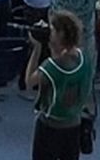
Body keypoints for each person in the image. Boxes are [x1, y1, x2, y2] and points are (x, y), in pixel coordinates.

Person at [25, 9, 92, 160]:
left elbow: (29, 81)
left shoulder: (52, 66)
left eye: (52, 30)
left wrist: (37, 48)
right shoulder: (82, 58)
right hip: (74, 122)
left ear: (60, 34)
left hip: (50, 125)